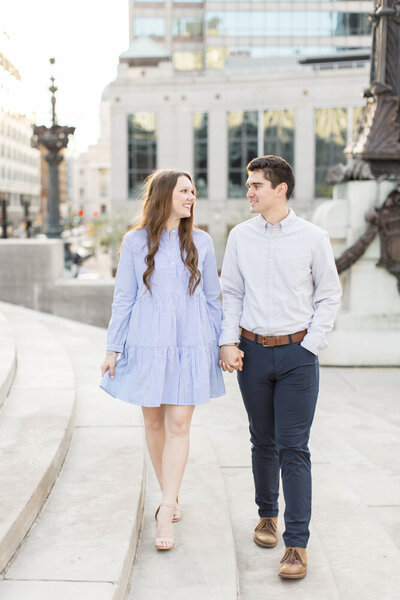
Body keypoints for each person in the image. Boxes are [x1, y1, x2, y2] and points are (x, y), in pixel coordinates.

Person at [219, 155, 341, 579]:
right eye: (248, 185)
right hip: (251, 353)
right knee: (262, 441)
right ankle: (267, 516)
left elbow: (329, 294)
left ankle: (296, 544)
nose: (248, 192)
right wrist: (227, 341)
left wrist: (310, 346)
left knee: (294, 447)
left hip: (296, 356)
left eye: (256, 185)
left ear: (280, 189)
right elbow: (230, 292)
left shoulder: (313, 237)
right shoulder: (240, 236)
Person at [100, 169, 225, 551]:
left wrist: (222, 343)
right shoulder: (136, 241)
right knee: (154, 422)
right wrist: (112, 348)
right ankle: (168, 493)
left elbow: (212, 297)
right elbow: (124, 297)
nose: (192, 196)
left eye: (193, 191)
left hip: (191, 341)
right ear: (165, 195)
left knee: (180, 423)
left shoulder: (201, 242)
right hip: (147, 340)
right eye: (185, 191)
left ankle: (166, 505)